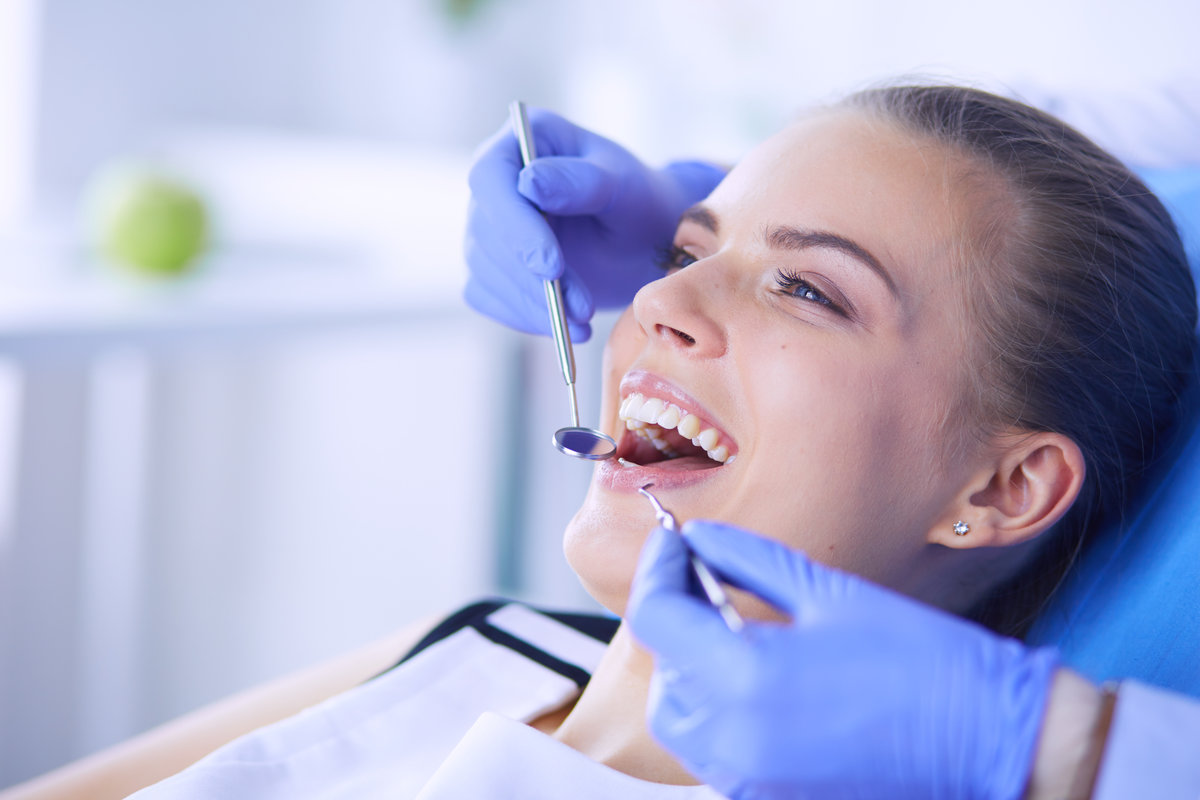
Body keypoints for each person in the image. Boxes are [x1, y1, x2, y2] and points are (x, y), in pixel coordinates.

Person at [3, 84, 1195, 799]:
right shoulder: (487, 644)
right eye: (688, 250)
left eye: (810, 291)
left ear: (1002, 484)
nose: (659, 307)